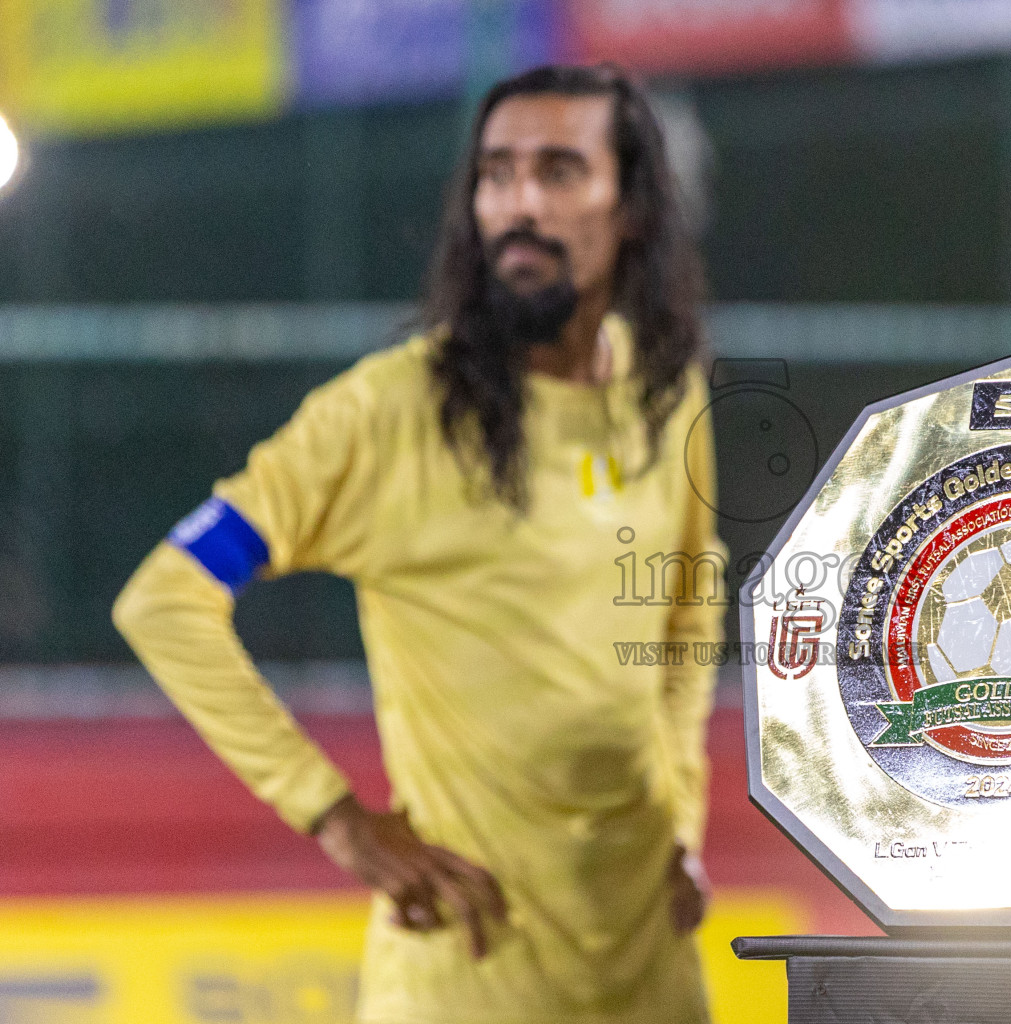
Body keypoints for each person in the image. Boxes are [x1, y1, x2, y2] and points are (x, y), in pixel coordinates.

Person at [113, 64, 723, 1024]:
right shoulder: (387, 413)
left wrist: (682, 824)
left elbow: (689, 605)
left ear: (633, 206)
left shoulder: (663, 390)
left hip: (652, 969)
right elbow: (164, 595)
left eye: (560, 171)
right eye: (496, 173)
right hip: (468, 971)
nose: (519, 203)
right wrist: (338, 818)